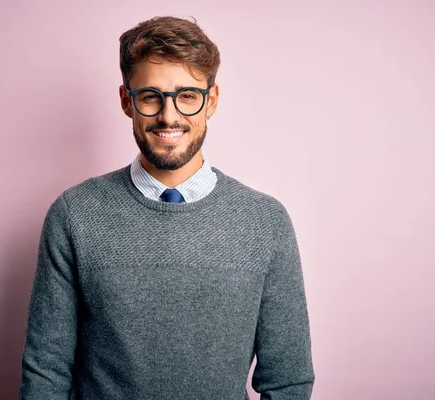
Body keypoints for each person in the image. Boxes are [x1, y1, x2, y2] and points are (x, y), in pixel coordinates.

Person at [19, 15, 315, 400]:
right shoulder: (74, 214)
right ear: (127, 101)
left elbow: (288, 380)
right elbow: (45, 372)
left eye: (187, 96)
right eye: (150, 96)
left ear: (212, 101)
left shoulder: (265, 222)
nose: (169, 116)